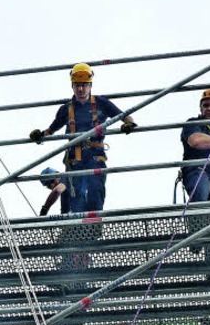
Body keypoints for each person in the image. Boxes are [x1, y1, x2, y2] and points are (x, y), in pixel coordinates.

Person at [29, 63, 137, 214]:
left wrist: (129, 125)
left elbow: (125, 117)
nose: (81, 89)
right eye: (77, 85)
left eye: (84, 85)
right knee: (77, 198)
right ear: (72, 86)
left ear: (90, 85)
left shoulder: (101, 103)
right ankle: (80, 229)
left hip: (95, 157)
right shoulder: (66, 109)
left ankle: (94, 228)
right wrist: (40, 136)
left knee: (96, 192)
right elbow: (51, 130)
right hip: (75, 161)